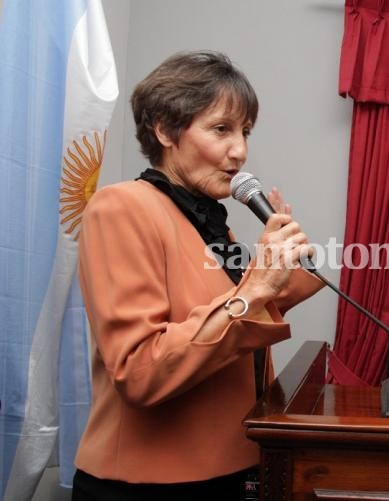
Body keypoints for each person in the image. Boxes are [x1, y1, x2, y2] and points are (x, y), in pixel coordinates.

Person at [71, 51, 323, 500]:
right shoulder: (121, 206)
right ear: (166, 130)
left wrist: (286, 266)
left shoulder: (207, 221)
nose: (240, 151)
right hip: (149, 485)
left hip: (234, 469)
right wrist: (256, 287)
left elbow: (241, 313)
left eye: (245, 132)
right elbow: (140, 370)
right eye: (221, 129)